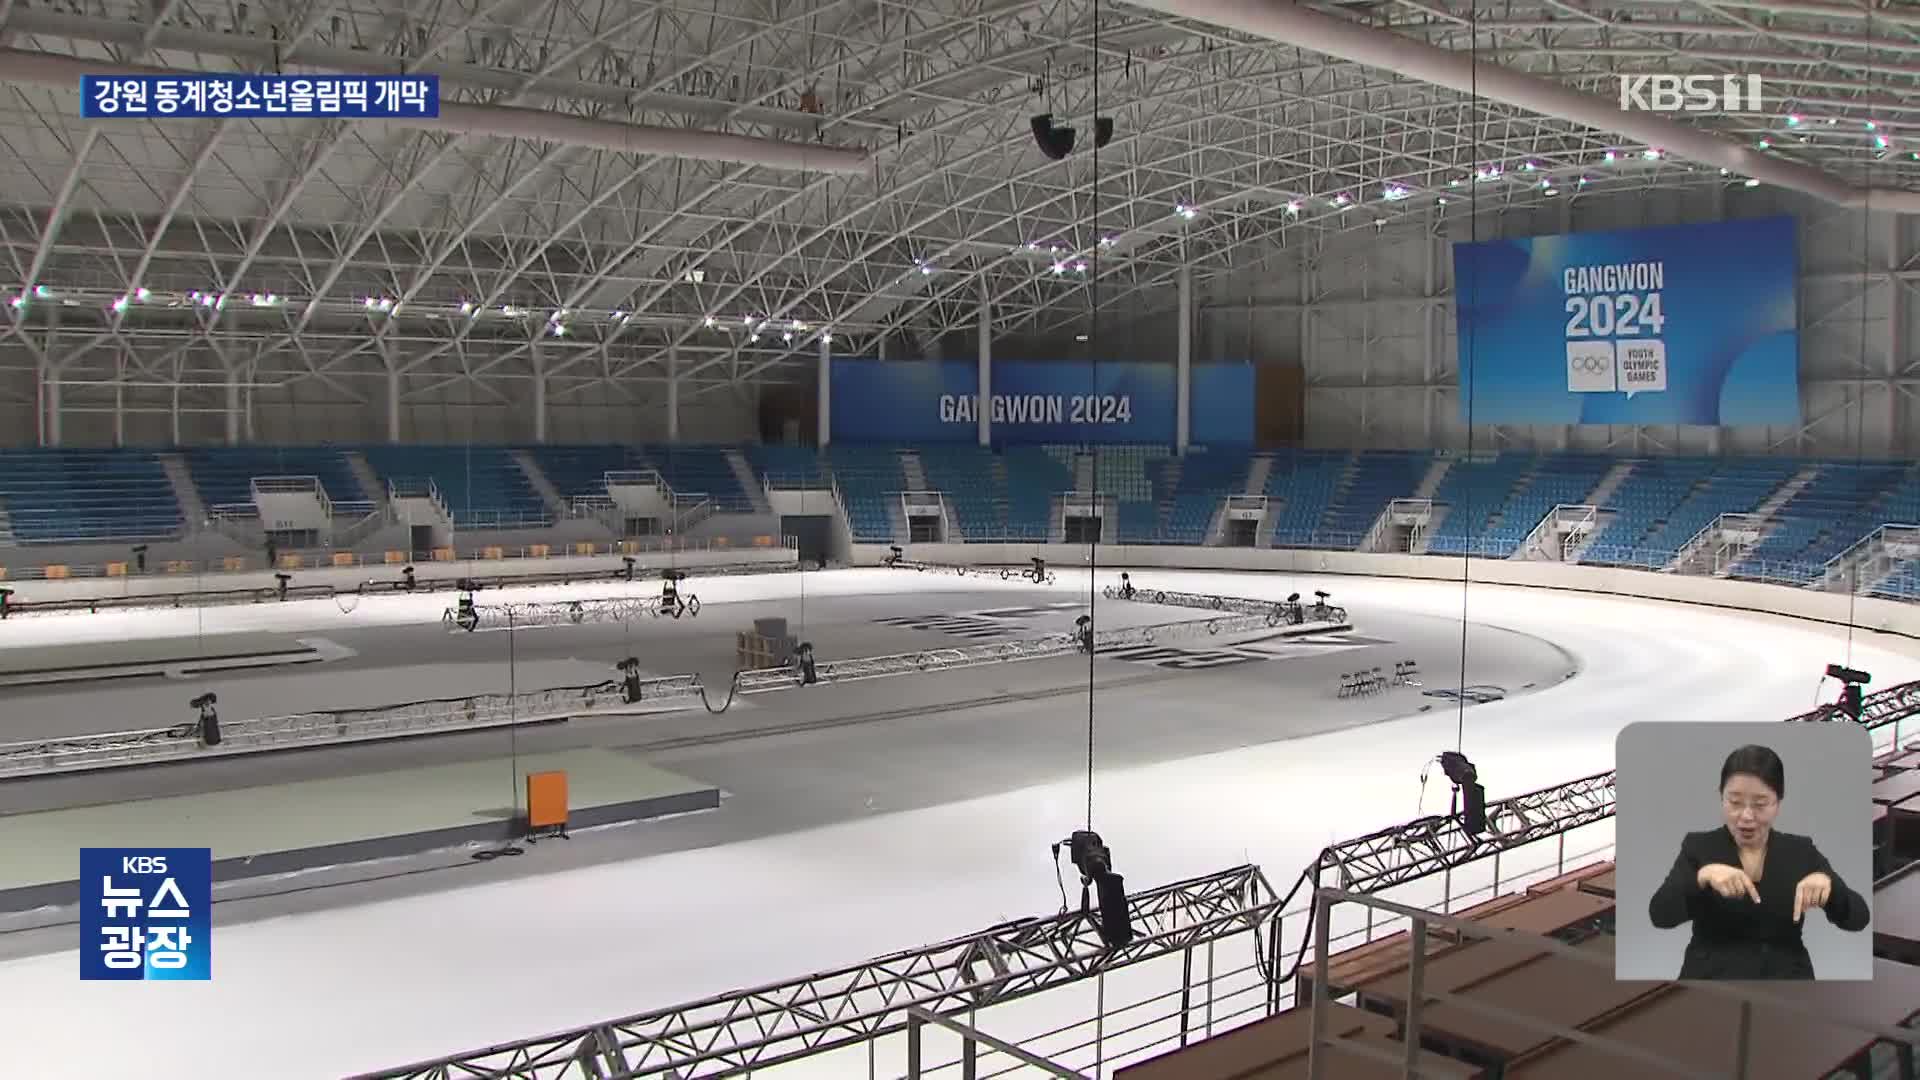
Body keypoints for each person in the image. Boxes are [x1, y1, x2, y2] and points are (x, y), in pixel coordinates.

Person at [1648, 744, 1868, 979]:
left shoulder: (1800, 851)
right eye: (1734, 802)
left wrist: (1830, 886)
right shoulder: (1698, 847)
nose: (1746, 816)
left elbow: (1858, 918)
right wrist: (1702, 877)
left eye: (1760, 804)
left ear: (1778, 803)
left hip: (1787, 987)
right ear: (1721, 797)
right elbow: (1660, 915)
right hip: (1711, 984)